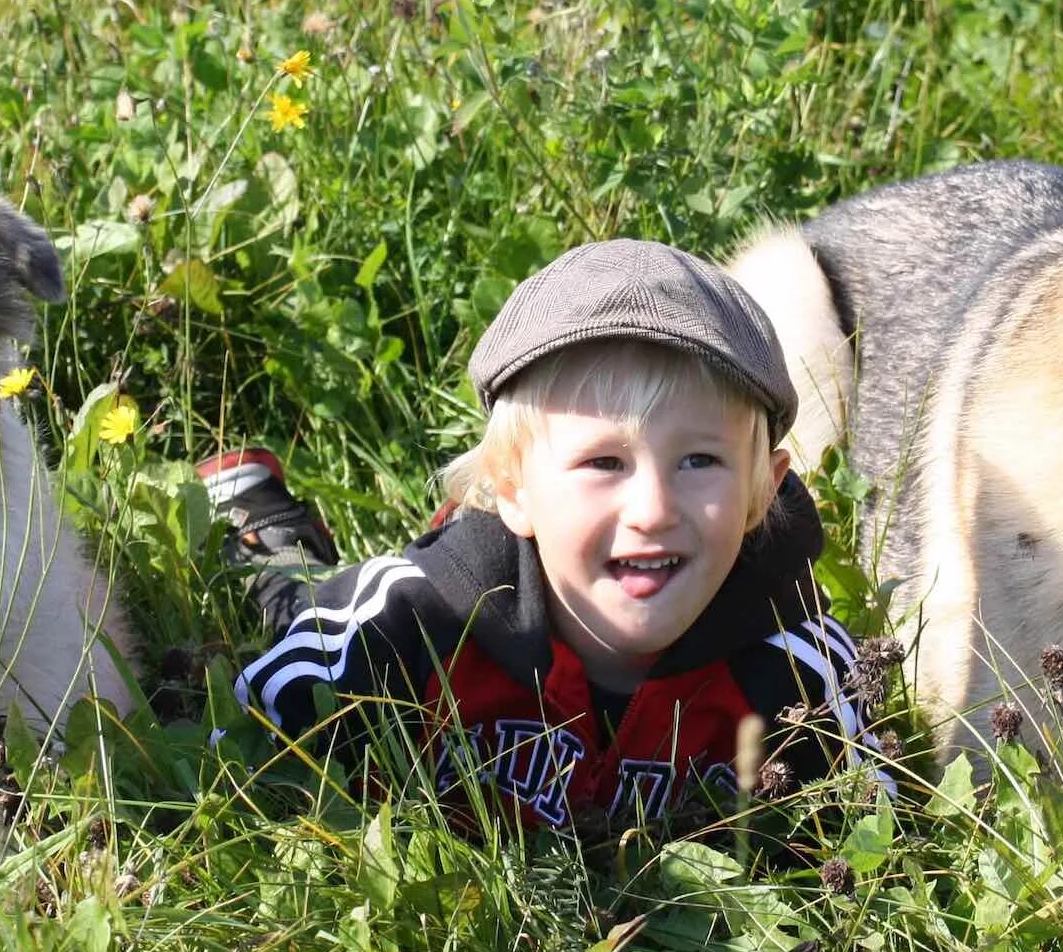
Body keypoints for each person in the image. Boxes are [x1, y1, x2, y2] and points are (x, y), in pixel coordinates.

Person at [210, 240, 883, 825]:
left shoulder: (798, 669)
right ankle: (266, 529)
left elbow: (877, 833)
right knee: (296, 597)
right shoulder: (409, 626)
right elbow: (242, 743)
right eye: (603, 462)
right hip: (445, 594)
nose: (652, 508)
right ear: (511, 485)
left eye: (699, 460)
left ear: (762, 489)